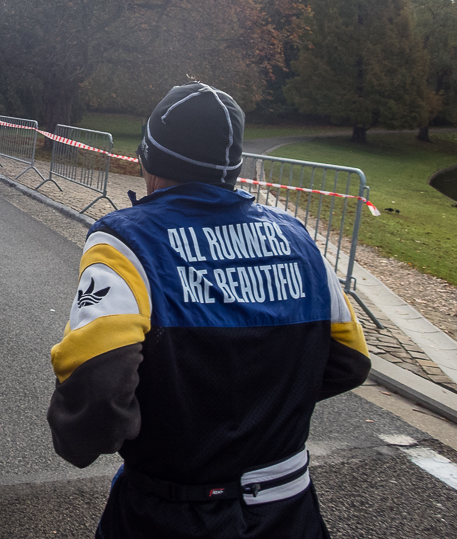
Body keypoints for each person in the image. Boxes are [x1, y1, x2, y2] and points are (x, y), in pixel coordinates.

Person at [47, 82, 370, 539]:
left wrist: (82, 437)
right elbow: (350, 361)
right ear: (233, 169)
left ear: (148, 159)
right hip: (291, 511)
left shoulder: (125, 242)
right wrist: (259, 412)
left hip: (170, 512)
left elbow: (96, 394)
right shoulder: (299, 240)